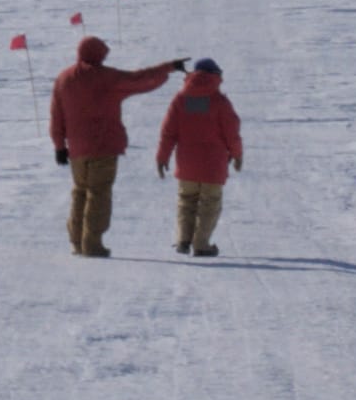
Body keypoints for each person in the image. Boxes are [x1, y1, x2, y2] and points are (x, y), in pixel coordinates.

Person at [48, 36, 185, 256]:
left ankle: (77, 241)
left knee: (80, 192)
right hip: (103, 146)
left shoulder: (63, 79)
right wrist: (169, 68)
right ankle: (92, 244)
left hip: (76, 149)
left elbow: (56, 116)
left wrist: (59, 146)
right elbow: (140, 80)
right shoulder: (106, 77)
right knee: (99, 194)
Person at [155, 57, 244, 257]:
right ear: (215, 76)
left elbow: (168, 132)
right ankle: (201, 244)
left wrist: (162, 157)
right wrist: (237, 155)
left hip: (187, 164)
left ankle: (184, 240)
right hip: (213, 166)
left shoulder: (180, 100)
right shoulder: (219, 101)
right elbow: (232, 133)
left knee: (187, 201)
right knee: (209, 204)